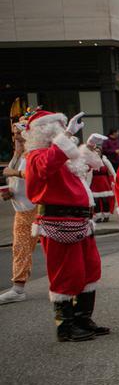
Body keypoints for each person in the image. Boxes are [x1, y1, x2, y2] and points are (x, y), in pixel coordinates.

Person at [24, 109, 111, 341]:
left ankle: (83, 318)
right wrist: (66, 139)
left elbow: (84, 171)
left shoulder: (62, 156)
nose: (65, 131)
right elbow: (46, 165)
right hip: (58, 222)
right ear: (47, 131)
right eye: (60, 128)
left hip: (81, 220)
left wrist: (88, 150)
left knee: (89, 270)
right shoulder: (36, 156)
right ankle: (66, 326)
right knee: (66, 273)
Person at [0, 118, 39, 304]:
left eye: (19, 133)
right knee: (20, 248)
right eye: (14, 133)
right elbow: (16, 178)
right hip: (21, 208)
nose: (16, 137)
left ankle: (74, 282)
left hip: (37, 207)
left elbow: (37, 175)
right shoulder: (18, 155)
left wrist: (13, 173)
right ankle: (18, 288)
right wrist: (9, 193)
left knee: (53, 247)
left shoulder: (34, 153)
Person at [84, 134, 116, 222]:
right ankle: (97, 216)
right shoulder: (90, 161)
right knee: (96, 201)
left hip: (104, 182)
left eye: (98, 151)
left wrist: (115, 178)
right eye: (96, 151)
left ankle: (106, 215)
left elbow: (112, 170)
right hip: (94, 182)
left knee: (105, 200)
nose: (97, 153)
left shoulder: (105, 160)